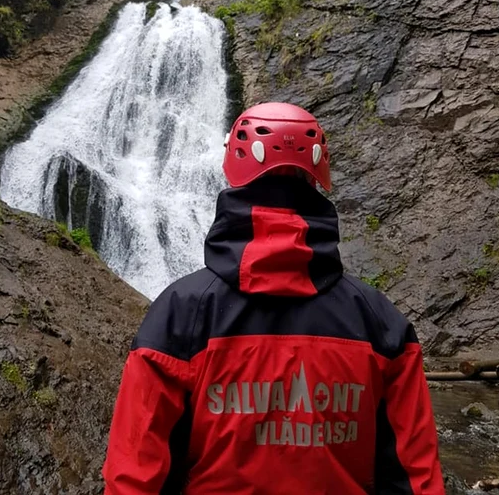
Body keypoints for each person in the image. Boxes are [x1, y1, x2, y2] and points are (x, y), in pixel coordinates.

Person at [103, 103, 445, 495]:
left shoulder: (178, 315)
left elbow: (132, 476)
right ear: (319, 177)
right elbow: (417, 479)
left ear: (231, 169)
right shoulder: (381, 323)